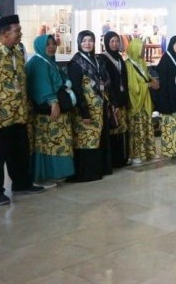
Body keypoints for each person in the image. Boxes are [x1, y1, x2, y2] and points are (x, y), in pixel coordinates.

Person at [0, 15, 45, 206]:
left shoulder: (17, 53)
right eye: (18, 31)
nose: (21, 35)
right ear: (5, 33)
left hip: (19, 114)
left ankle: (21, 184)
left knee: (20, 152)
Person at [26, 34, 75, 184]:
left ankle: (55, 172)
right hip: (47, 110)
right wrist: (53, 102)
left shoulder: (48, 61)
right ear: (41, 46)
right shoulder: (38, 62)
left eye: (53, 44)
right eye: (48, 44)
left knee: (55, 141)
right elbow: (42, 85)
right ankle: (49, 172)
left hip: (53, 109)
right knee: (51, 142)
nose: (52, 47)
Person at [68, 30, 110, 181]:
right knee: (85, 140)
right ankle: (85, 173)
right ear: (79, 42)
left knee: (96, 139)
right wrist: (84, 111)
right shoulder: (76, 62)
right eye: (84, 40)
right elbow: (77, 89)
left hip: (99, 106)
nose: (87, 44)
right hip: (85, 109)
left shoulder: (97, 59)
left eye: (90, 40)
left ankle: (97, 170)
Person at [125, 38, 160, 163]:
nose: (143, 51)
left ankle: (149, 152)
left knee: (147, 126)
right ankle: (136, 154)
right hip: (136, 101)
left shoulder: (142, 62)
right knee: (137, 128)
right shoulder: (128, 65)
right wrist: (148, 85)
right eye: (142, 48)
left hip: (145, 100)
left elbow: (146, 76)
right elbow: (132, 86)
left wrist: (152, 81)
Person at [155, 35, 176, 158]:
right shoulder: (165, 59)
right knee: (170, 125)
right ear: (171, 45)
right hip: (169, 99)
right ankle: (170, 150)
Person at [100, 31, 130, 168]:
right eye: (112, 41)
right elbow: (106, 82)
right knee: (113, 128)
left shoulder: (119, 58)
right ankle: (113, 160)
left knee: (122, 130)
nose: (115, 44)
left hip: (122, 99)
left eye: (117, 41)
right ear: (106, 42)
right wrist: (113, 101)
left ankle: (122, 158)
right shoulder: (103, 59)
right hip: (112, 101)